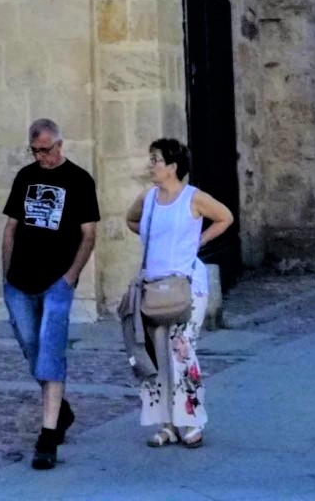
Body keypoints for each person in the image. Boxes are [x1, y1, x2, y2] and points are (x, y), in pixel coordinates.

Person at [123, 137, 234, 450]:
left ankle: (191, 420)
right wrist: (151, 236)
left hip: (186, 285)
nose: (151, 165)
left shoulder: (193, 198)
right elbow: (131, 220)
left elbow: (225, 217)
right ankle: (166, 424)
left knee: (181, 350)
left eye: (156, 159)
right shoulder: (147, 199)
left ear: (172, 166)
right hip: (153, 286)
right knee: (156, 356)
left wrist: (197, 241)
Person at [1, 118, 99, 472]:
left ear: (59, 145)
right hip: (20, 282)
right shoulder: (25, 177)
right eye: (35, 150)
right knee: (32, 349)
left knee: (51, 352)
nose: (41, 156)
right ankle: (62, 410)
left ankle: (47, 438)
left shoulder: (79, 180)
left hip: (57, 282)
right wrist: (6, 274)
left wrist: (71, 276)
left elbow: (88, 234)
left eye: (45, 149)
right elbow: (11, 226)